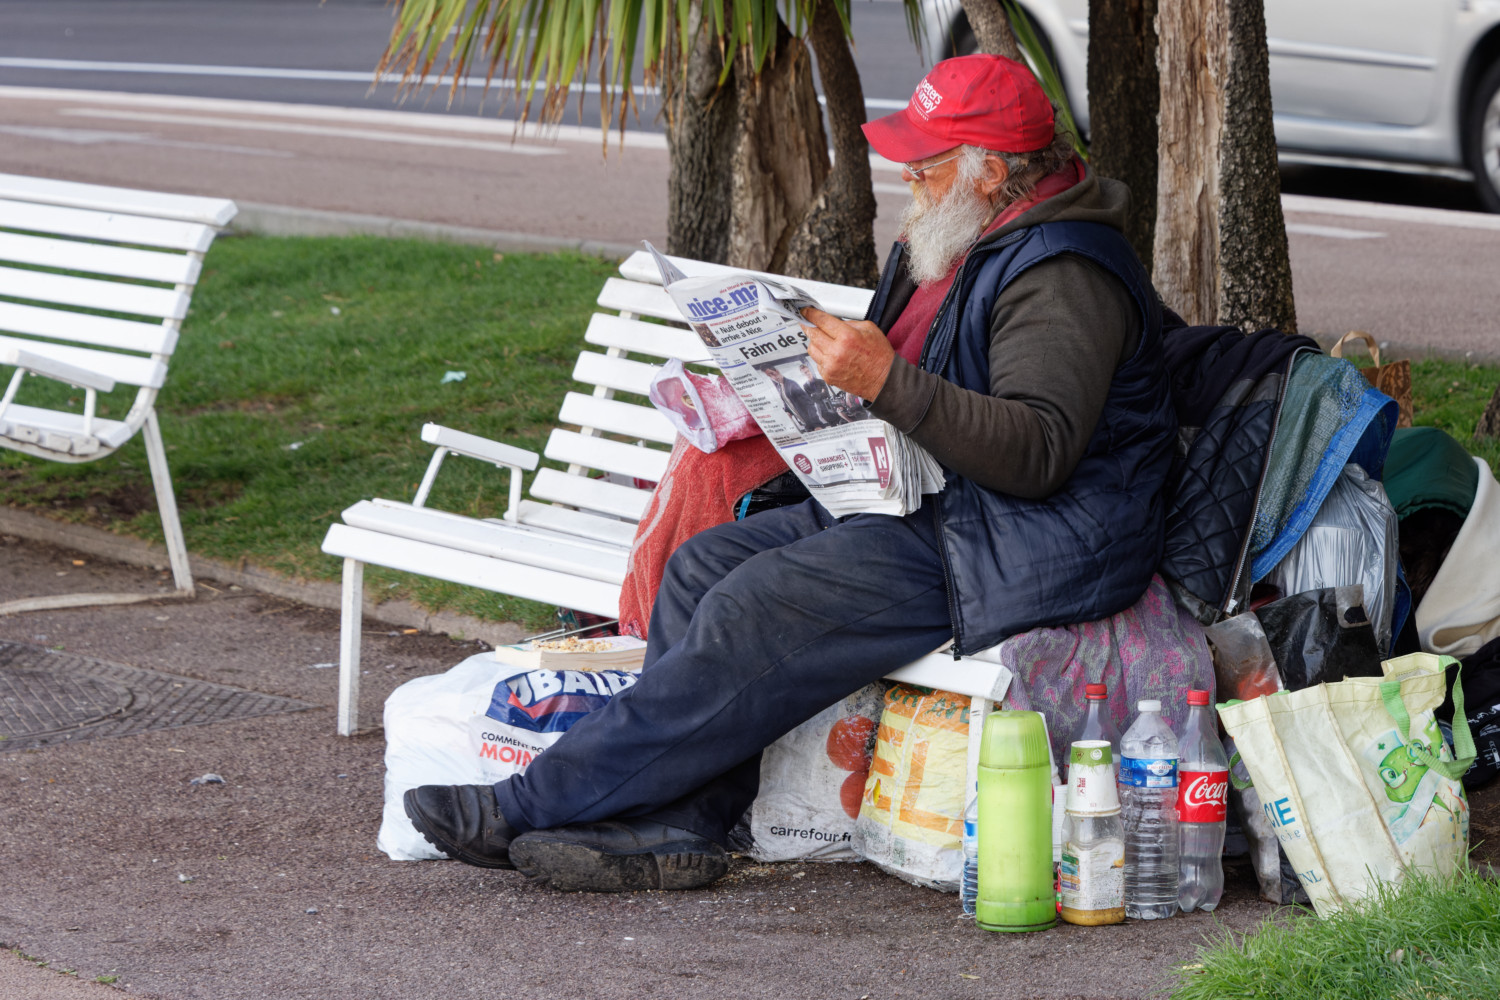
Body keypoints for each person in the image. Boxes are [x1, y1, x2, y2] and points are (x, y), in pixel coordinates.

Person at [403, 54, 1177, 892]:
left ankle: (532, 801)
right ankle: (680, 825)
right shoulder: (961, 236)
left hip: (1025, 536)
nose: (907, 174)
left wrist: (884, 381)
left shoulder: (1062, 271)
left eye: (927, 161)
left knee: (755, 603)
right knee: (705, 563)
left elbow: (1036, 452)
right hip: (934, 499)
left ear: (991, 172)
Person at [764, 365, 821, 432]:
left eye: (772, 374)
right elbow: (786, 402)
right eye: (769, 376)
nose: (773, 377)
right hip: (804, 423)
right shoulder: (779, 387)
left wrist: (817, 425)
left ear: (777, 371)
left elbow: (809, 404)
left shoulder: (791, 384)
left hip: (812, 424)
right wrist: (787, 412)